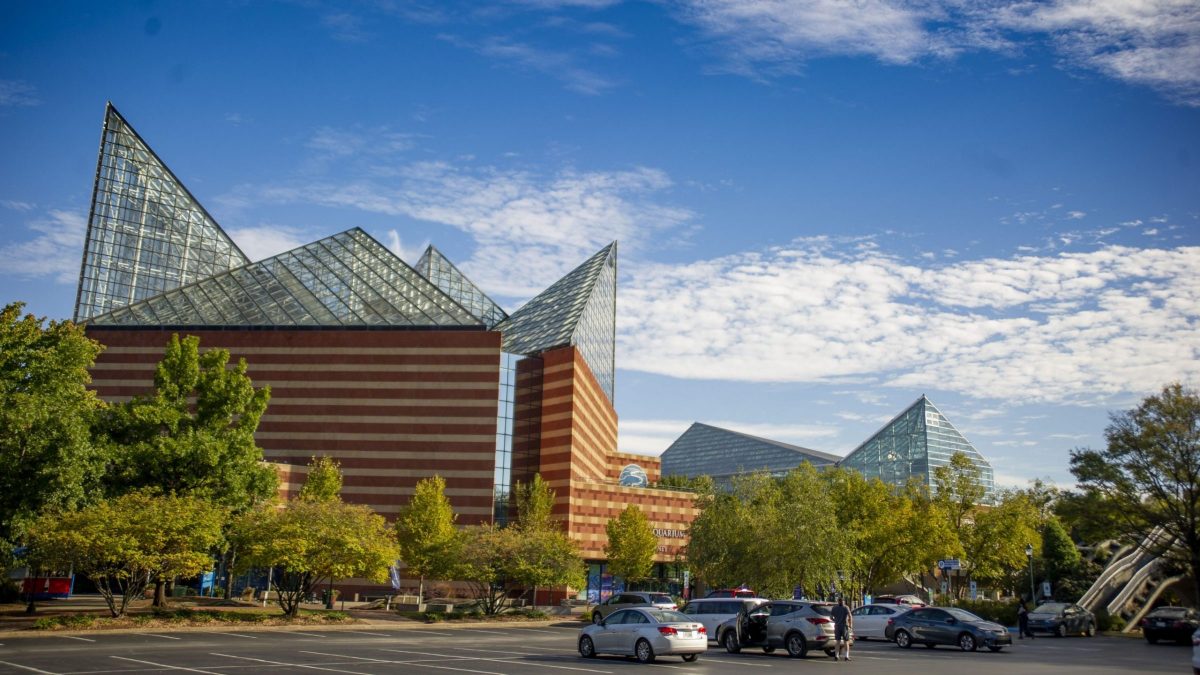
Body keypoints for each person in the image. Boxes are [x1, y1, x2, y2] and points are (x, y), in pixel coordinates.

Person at [831, 596, 853, 661]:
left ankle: (836, 656)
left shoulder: (834, 608)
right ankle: (846, 656)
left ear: (838, 601)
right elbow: (850, 616)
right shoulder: (846, 607)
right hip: (844, 626)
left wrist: (835, 620)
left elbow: (831, 617)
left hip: (837, 626)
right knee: (846, 641)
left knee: (837, 641)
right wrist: (851, 625)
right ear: (843, 601)